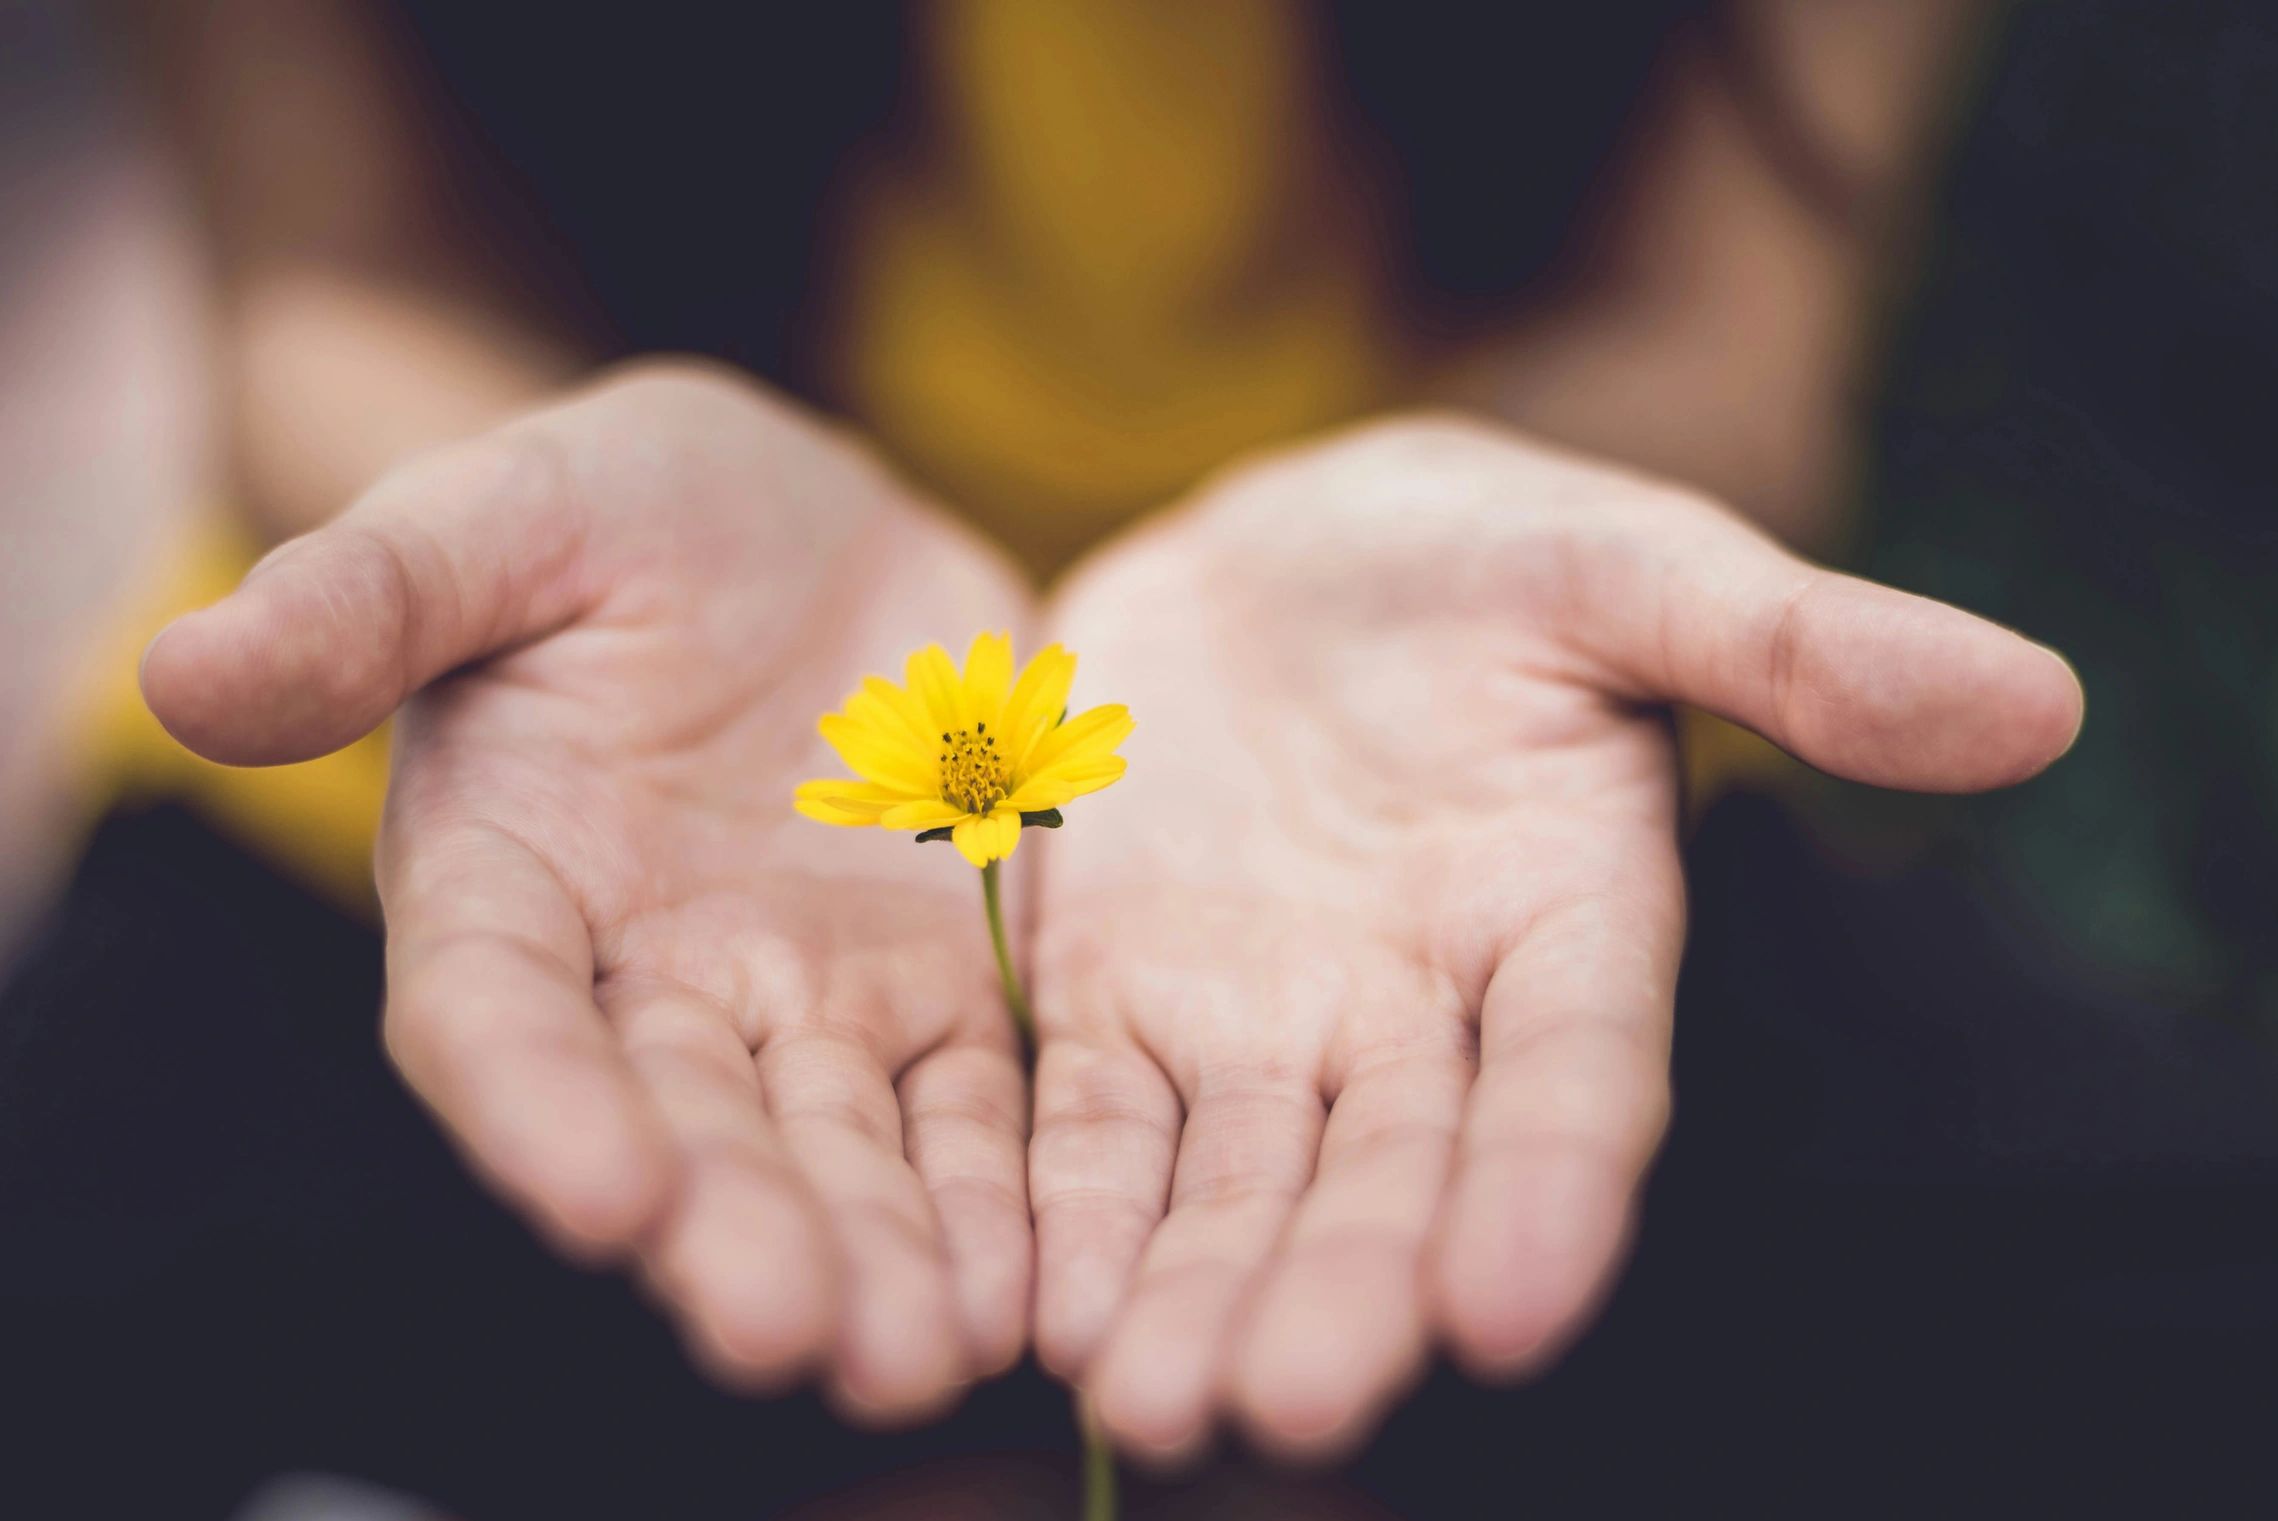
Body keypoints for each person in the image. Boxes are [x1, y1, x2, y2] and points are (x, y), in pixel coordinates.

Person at [11, 2, 2270, 1513]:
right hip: (571, 793)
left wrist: (1482, 530)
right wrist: (516, 521)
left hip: (1433, 825)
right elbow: (332, 272)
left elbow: (1718, 331)